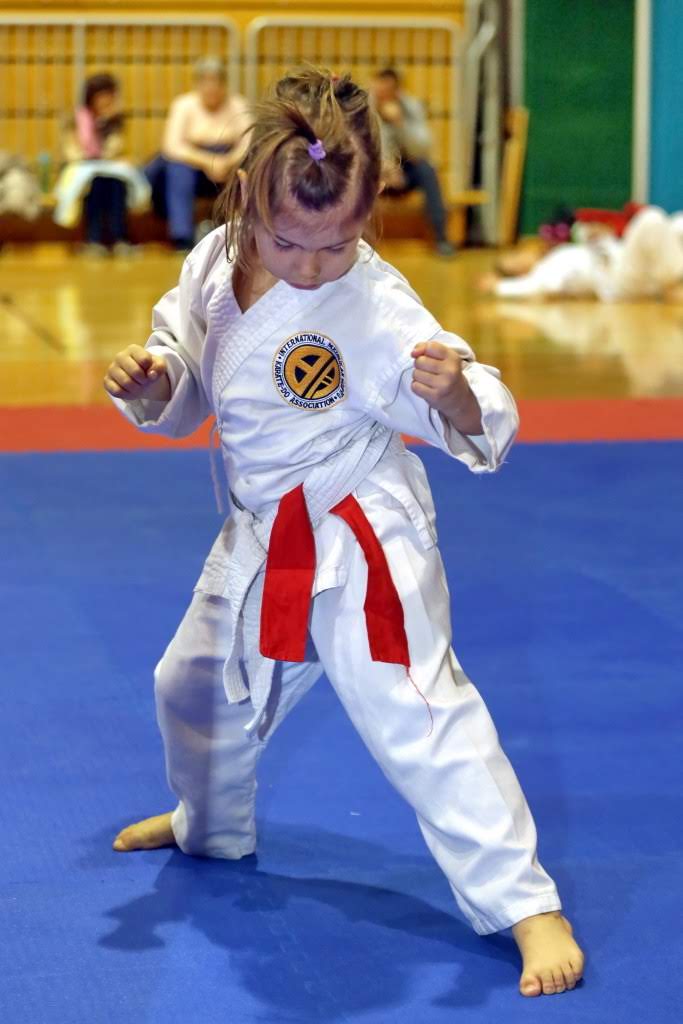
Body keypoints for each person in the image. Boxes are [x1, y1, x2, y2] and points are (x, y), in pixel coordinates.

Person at [103, 67, 585, 998]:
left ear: (365, 219)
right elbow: (187, 370)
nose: (313, 265)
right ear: (247, 201)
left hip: (361, 534)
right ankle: (209, 825)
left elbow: (466, 394)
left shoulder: (371, 301)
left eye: (337, 244)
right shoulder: (213, 263)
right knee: (192, 686)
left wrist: (458, 396)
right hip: (264, 533)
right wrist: (157, 381)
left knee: (414, 711)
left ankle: (526, 904)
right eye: (289, 241)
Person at [146, 57, 251, 251]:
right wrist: (208, 161)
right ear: (197, 84)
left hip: (228, 162)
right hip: (192, 162)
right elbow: (172, 146)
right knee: (178, 170)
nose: (212, 87)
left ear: (224, 84)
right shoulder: (183, 105)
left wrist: (227, 161)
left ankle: (242, 232)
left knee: (249, 167)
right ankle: (182, 237)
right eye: (206, 81)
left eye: (216, 81)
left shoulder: (238, 104)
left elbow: (248, 143)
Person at [481, 206, 683, 302]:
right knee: (650, 219)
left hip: (624, 259)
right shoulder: (545, 271)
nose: (522, 255)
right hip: (618, 281)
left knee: (678, 223)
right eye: (514, 261)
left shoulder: (558, 252)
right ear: (519, 273)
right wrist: (499, 286)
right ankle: (675, 286)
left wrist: (600, 234)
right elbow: (537, 288)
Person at [55, 73, 149, 256]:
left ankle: (120, 238)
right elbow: (72, 152)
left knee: (116, 184)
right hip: (81, 171)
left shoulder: (115, 120)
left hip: (107, 169)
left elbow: (115, 149)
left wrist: (106, 124)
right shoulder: (74, 118)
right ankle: (93, 239)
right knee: (96, 184)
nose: (106, 100)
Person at [370, 67, 456, 257]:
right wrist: (385, 169)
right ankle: (358, 242)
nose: (383, 94)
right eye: (379, 89)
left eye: (388, 90)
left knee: (427, 170)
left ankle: (441, 238)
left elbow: (422, 148)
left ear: (397, 90)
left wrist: (400, 123)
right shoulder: (365, 107)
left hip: (406, 170)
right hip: (376, 171)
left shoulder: (410, 107)